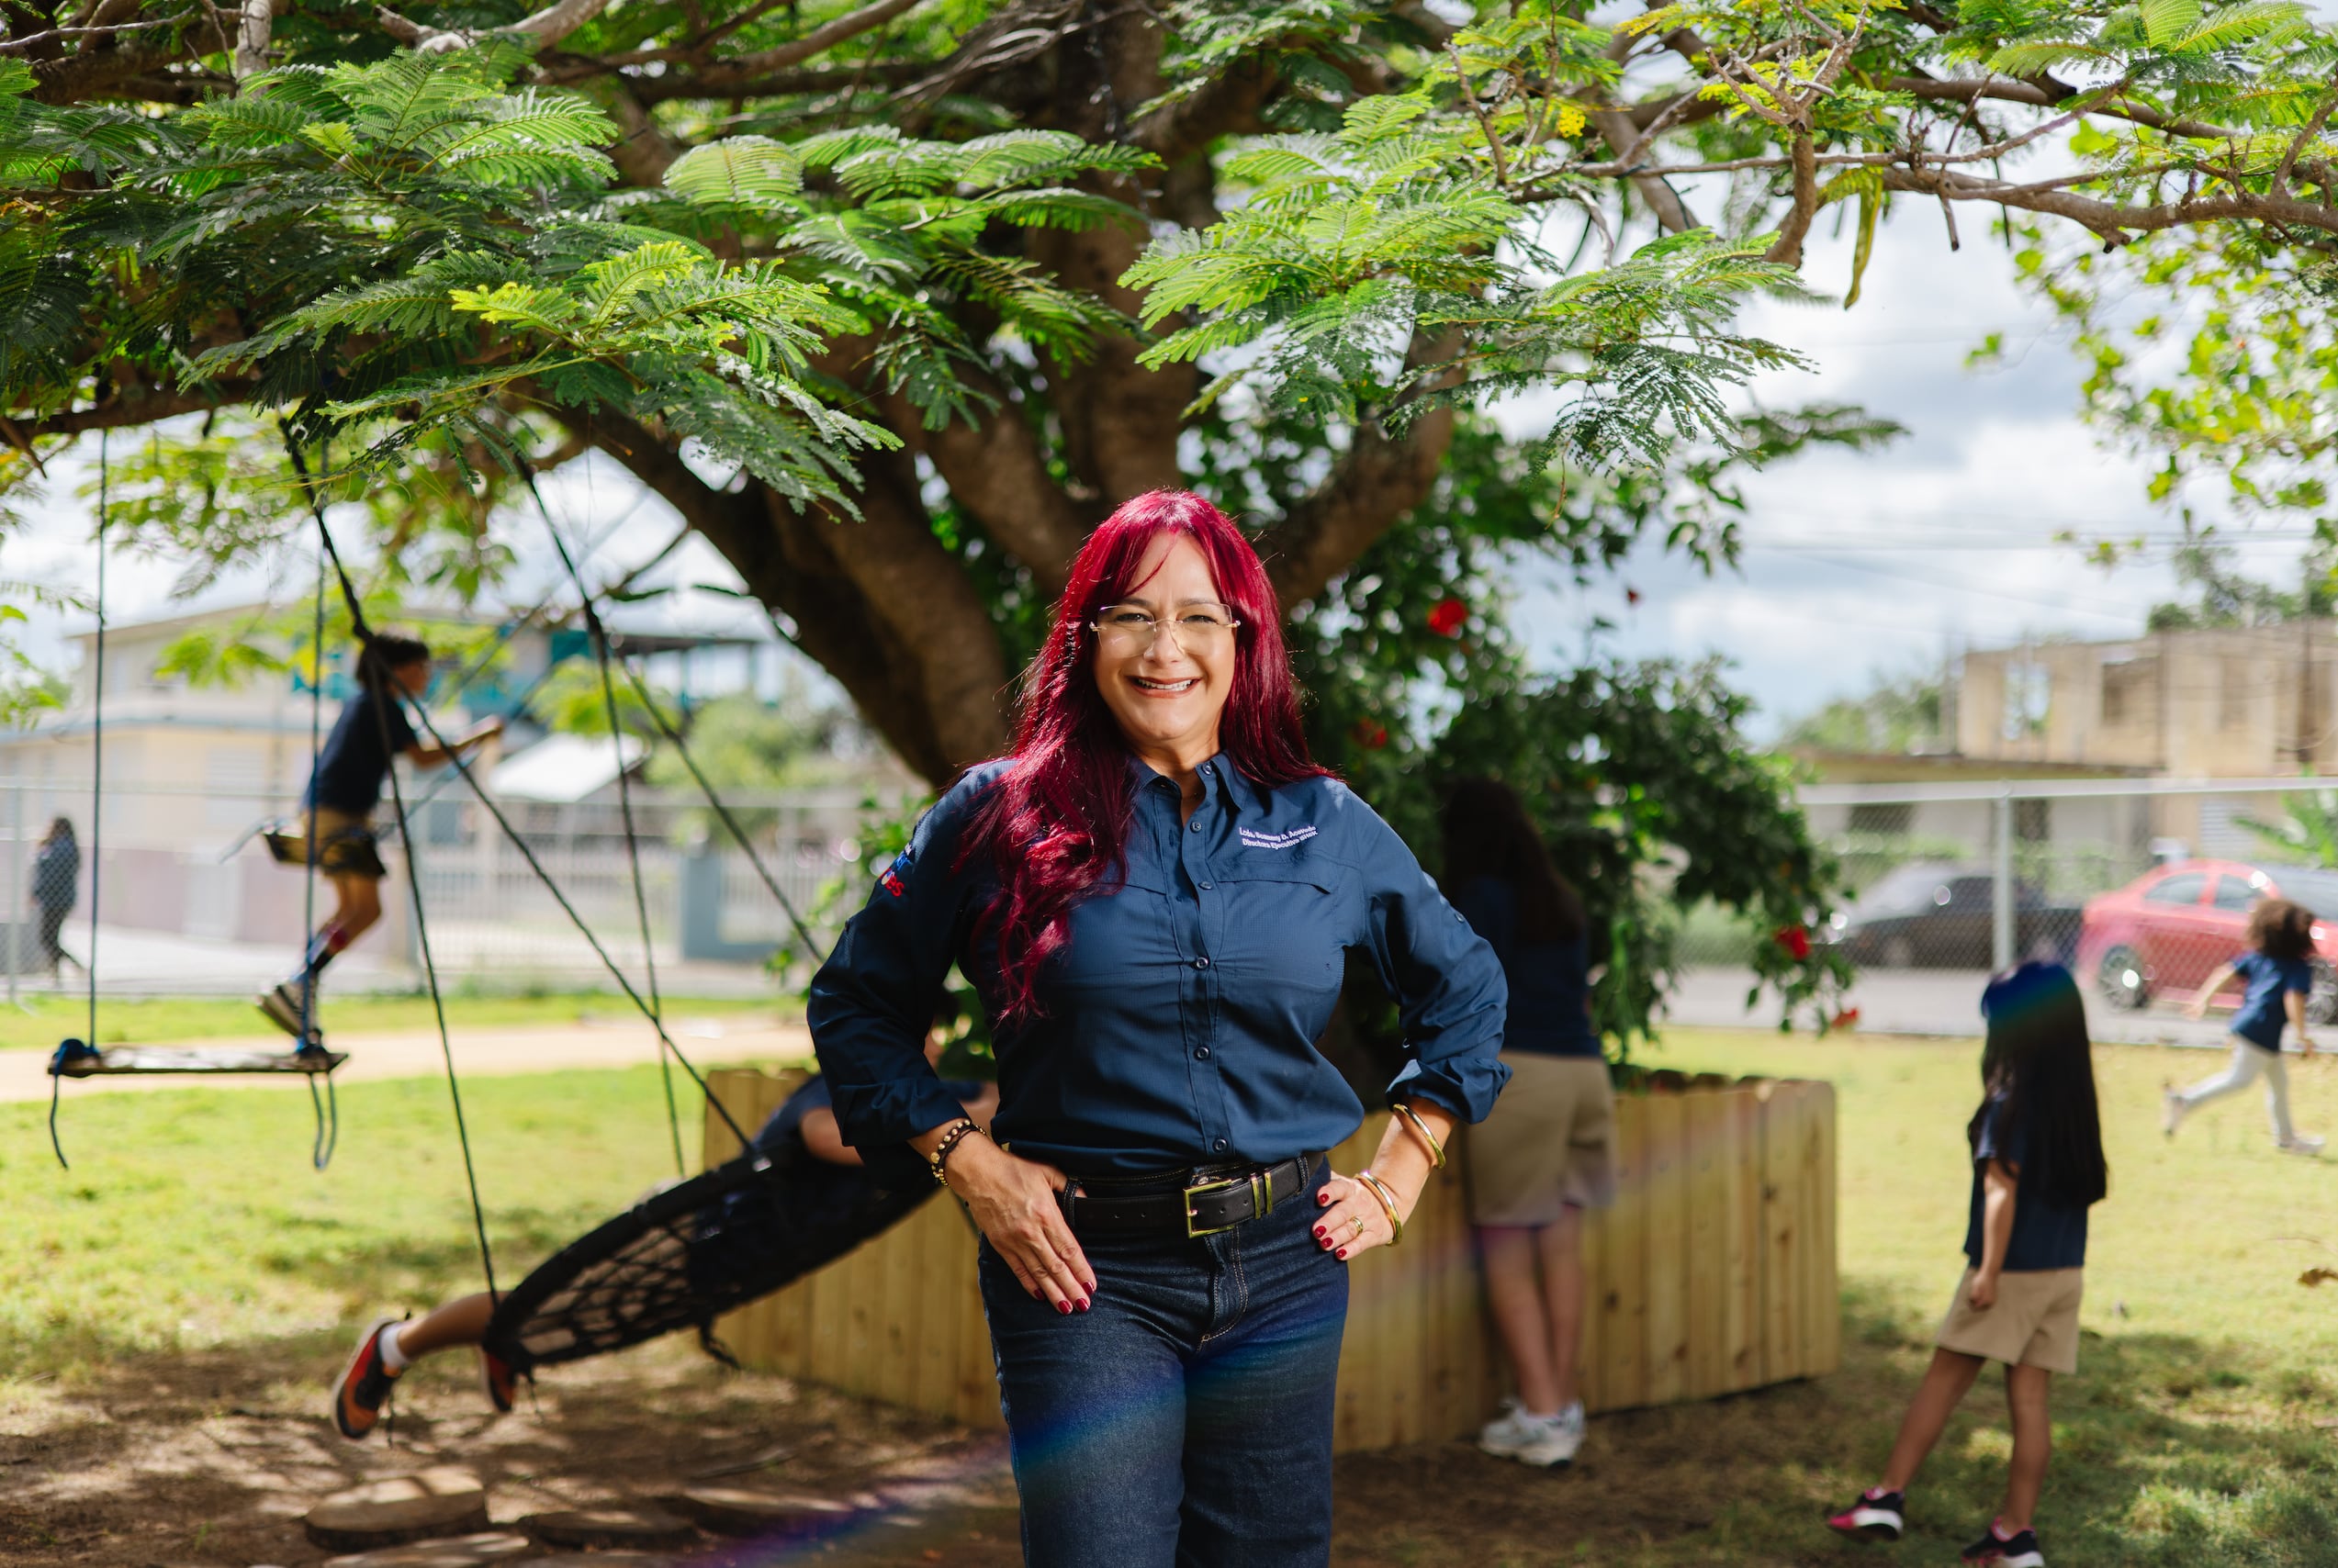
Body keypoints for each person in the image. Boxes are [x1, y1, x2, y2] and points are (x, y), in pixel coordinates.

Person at [809, 489, 1509, 1568]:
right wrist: (969, 1163)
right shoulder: (995, 815)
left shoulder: (1323, 821)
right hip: (1083, 1269)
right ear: (1086, 640)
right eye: (1131, 615)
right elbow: (855, 1003)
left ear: (1243, 637)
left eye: (1197, 616)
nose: (1163, 648)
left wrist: (1400, 1175)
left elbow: (1464, 988)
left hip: (1287, 1262)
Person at [329, 1055, 999, 1439]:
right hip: (694, 1238)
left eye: (929, 1035)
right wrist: (950, 1128)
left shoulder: (936, 1094)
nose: (926, 1047)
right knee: (539, 1306)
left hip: (742, 1257)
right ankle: (393, 1346)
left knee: (544, 1317)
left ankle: (496, 1346)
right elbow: (826, 1137)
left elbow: (1001, 1100)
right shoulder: (845, 1083)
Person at [1828, 961, 2107, 1567]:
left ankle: (1885, 1497)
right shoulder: (2075, 1104)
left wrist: (1988, 1271)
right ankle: (2015, 1535)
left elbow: (2001, 1190)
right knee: (2030, 1402)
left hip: (2010, 1272)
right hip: (2063, 1272)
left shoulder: (2012, 1103)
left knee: (1944, 1378)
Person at [1441, 778, 1610, 1471]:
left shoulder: (1480, 896)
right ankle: (1559, 1404)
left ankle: (1541, 1417)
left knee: (1507, 1250)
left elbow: (1460, 991)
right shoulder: (1558, 898)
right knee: (1561, 1249)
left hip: (1523, 1078)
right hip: (1585, 1074)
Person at [259, 633, 501, 1041]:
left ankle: (299, 983)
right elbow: (424, 758)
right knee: (367, 911)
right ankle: (302, 979)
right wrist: (481, 735)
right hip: (341, 817)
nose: (427, 676)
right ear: (398, 669)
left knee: (349, 909)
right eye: (421, 668)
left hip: (320, 814)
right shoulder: (383, 704)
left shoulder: (364, 704)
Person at [2163, 896, 2326, 1155]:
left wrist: (2203, 999)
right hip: (2261, 1029)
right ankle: (2184, 1101)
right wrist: (2302, 1034)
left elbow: (2224, 972)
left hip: (2250, 1024)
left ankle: (2286, 1138)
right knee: (2239, 1080)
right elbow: (2292, 998)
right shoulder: (2297, 967)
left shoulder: (2259, 957)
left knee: (2278, 1083)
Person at [29, 815, 80, 977]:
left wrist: (37, 892)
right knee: (51, 938)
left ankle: (73, 966)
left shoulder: (61, 848)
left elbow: (50, 874)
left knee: (47, 938)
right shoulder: (61, 846)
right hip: (57, 899)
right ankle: (56, 971)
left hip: (56, 899)